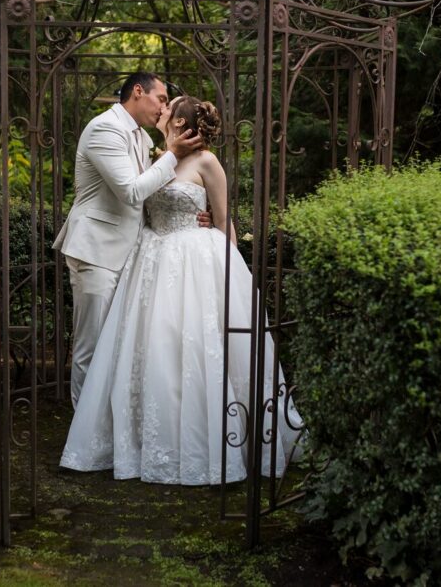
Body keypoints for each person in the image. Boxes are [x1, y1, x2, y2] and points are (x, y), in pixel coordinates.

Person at [60, 95, 304, 485]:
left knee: (193, 346)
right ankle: (141, 438)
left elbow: (226, 225)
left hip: (196, 261)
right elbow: (136, 196)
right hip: (150, 261)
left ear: (181, 121)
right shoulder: (154, 156)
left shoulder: (207, 162)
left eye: (167, 107)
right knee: (152, 349)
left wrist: (215, 239)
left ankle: (210, 440)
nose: (161, 109)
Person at [52, 72, 204, 408]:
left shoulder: (140, 137)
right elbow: (132, 192)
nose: (163, 107)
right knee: (91, 347)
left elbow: (152, 198)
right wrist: (173, 155)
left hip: (130, 254)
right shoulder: (105, 129)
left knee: (115, 346)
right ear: (138, 91)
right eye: (162, 99)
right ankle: (83, 431)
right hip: (97, 253)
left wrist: (195, 214)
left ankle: (105, 426)